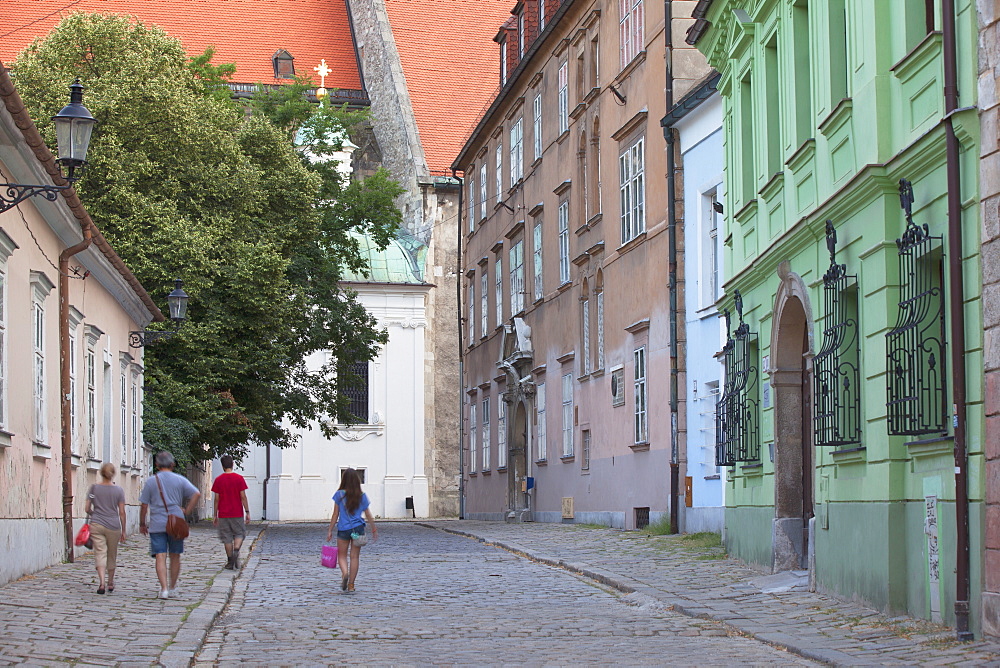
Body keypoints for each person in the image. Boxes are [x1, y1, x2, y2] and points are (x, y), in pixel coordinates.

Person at [139, 451, 201, 600]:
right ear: (172, 464)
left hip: (157, 523)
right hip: (176, 522)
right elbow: (196, 494)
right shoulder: (180, 480)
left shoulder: (151, 481)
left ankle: (164, 589)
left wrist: (142, 523)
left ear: (157, 465)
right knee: (175, 556)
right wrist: (187, 510)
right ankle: (173, 587)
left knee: (160, 556)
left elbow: (144, 505)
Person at [326, 468, 377, 593]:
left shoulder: (339, 495)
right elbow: (368, 513)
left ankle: (344, 573)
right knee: (354, 557)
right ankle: (351, 585)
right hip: (358, 528)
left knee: (342, 556)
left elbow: (335, 514)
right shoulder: (361, 495)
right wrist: (373, 528)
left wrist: (330, 530)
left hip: (343, 528)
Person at [84, 462, 127, 594]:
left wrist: (95, 514)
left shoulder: (94, 489)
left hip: (97, 524)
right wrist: (123, 530)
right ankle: (110, 582)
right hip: (113, 526)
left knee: (100, 553)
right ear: (113, 474)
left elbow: (87, 508)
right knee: (112, 554)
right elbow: (121, 512)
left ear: (101, 473)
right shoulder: (119, 490)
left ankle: (101, 582)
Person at [211, 455, 251, 570]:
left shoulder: (218, 480)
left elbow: (216, 498)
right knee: (239, 533)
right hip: (237, 512)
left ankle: (230, 561)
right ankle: (236, 550)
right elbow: (243, 496)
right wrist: (247, 511)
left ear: (222, 466)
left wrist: (215, 514)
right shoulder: (239, 478)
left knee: (227, 537)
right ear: (232, 464)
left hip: (223, 513)